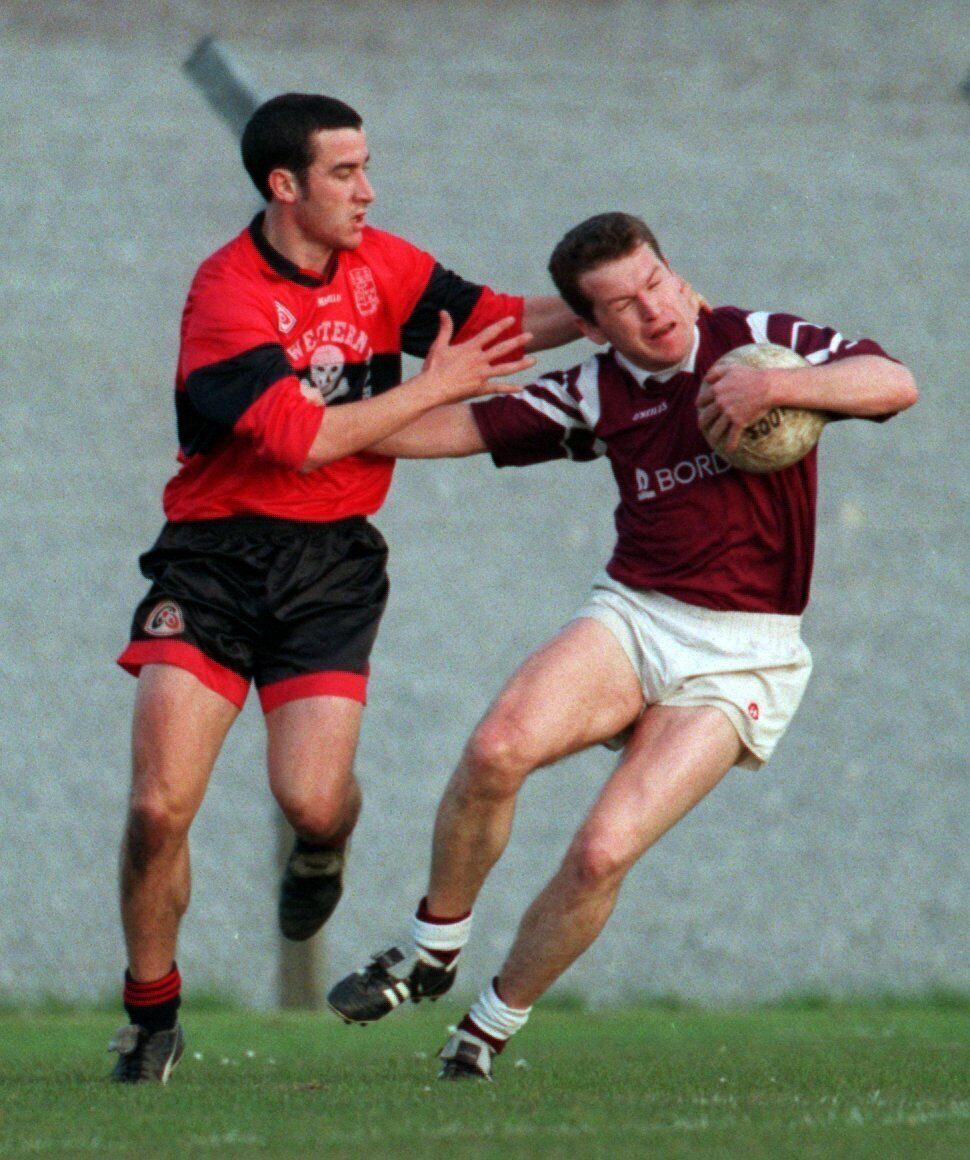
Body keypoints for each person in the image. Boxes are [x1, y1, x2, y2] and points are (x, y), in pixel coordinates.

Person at [326, 211, 918, 1081]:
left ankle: (486, 1028)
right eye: (623, 305)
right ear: (594, 325)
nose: (654, 310)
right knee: (495, 749)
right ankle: (432, 950)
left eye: (657, 282)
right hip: (635, 614)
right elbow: (430, 434)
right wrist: (323, 421)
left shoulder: (757, 340)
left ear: (674, 272)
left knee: (602, 850)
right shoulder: (593, 391)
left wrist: (782, 390)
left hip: (743, 653)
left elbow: (895, 381)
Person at [107, 91, 584, 1084]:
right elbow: (304, 437)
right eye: (343, 173)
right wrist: (430, 386)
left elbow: (502, 324)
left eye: (367, 167)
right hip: (212, 559)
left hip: (330, 567)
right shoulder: (225, 293)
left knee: (312, 801)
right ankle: (151, 1015)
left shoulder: (384, 266)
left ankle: (323, 848)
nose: (368, 190)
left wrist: (616, 304)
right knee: (158, 809)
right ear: (284, 186)